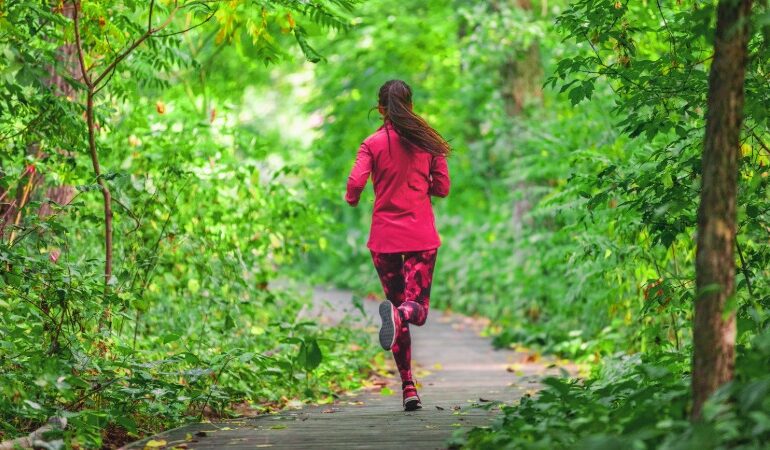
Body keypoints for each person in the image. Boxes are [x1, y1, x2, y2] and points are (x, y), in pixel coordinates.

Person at [345, 79, 451, 411]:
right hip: (420, 236)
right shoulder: (428, 142)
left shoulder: (371, 143)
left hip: (384, 238)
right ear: (411, 105)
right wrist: (422, 187)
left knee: (397, 309)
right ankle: (398, 313)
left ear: (380, 108)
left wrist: (353, 198)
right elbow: (444, 188)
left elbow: (355, 182)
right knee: (414, 311)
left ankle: (408, 386)